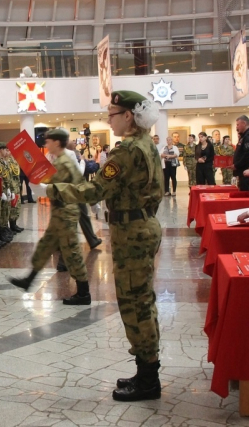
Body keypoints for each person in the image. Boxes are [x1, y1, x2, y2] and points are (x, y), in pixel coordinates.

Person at [47, 91, 163, 402]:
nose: (108, 120)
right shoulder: (146, 143)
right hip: (141, 226)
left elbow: (94, 190)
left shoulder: (128, 150)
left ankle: (148, 380)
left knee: (134, 303)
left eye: (112, 114)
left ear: (128, 116)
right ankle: (146, 370)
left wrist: (52, 190)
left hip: (133, 232)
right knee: (141, 299)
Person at [10, 128, 91, 306]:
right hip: (61, 212)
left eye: (48, 141)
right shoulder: (63, 160)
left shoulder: (63, 163)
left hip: (66, 212)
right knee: (46, 245)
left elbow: (53, 188)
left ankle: (84, 292)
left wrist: (37, 184)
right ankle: (29, 279)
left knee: (72, 252)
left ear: (56, 142)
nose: (46, 144)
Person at [234, 115, 249, 190]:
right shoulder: (243, 136)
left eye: (238, 124)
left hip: (245, 170)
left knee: (245, 191)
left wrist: (236, 165)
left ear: (244, 123)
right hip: (241, 171)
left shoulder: (248, 136)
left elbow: (247, 154)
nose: (237, 127)